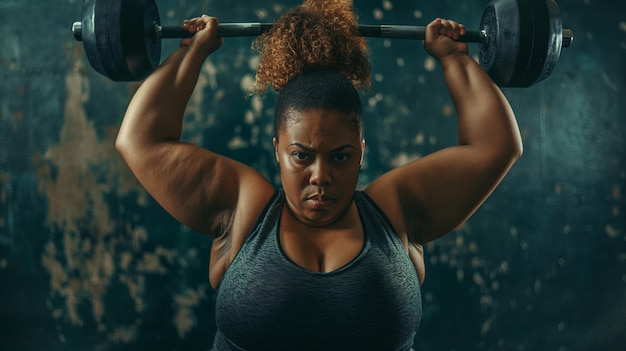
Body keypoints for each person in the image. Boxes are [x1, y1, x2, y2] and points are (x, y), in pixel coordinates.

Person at [115, 0, 522, 349]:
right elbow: (140, 142)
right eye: (301, 156)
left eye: (340, 157)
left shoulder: (396, 208)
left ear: (361, 152)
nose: (320, 176)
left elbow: (496, 146)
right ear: (278, 150)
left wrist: (454, 59)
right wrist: (191, 53)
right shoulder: (243, 204)